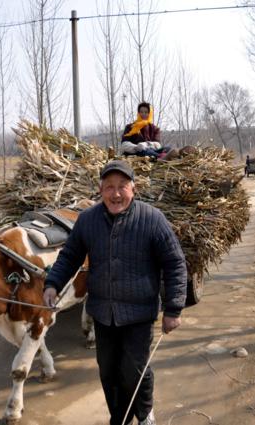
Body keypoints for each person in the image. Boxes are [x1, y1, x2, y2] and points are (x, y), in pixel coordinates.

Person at [43, 160, 187, 425]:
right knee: (108, 372)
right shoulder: (88, 220)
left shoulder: (152, 219)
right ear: (100, 190)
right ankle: (118, 418)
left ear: (134, 188)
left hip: (139, 313)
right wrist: (52, 284)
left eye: (122, 186)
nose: (116, 193)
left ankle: (145, 415)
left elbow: (174, 262)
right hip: (103, 313)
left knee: (134, 371)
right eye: (109, 187)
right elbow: (70, 256)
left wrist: (173, 308)